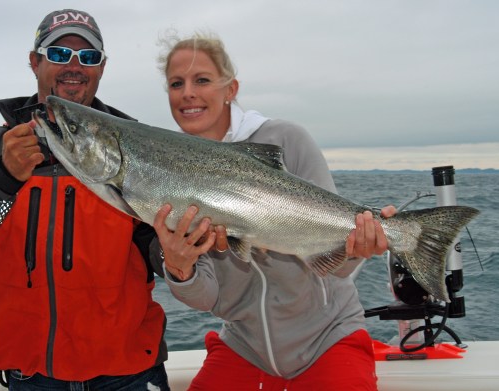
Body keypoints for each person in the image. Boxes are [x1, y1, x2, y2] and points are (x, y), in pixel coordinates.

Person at [0, 9, 170, 390]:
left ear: (102, 68)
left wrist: (180, 257)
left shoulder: (137, 147)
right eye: (58, 54)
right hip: (31, 375)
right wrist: (2, 179)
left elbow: (157, 253)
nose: (74, 66)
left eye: (88, 57)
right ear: (34, 61)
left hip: (128, 371)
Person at [151, 31, 396, 390]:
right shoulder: (171, 177)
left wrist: (359, 247)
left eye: (201, 80)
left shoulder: (286, 139)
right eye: (176, 83)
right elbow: (207, 298)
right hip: (244, 346)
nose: (187, 92)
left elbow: (336, 268)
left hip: (328, 338)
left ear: (230, 89)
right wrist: (179, 266)